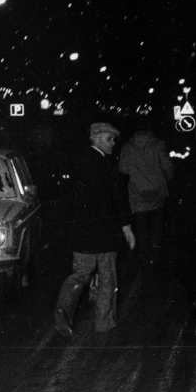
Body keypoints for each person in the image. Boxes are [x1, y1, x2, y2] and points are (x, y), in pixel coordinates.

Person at [54, 122, 135, 335]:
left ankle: (63, 310)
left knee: (80, 274)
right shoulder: (107, 167)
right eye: (110, 139)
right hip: (106, 233)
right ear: (96, 138)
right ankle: (104, 323)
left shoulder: (76, 163)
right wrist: (126, 227)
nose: (113, 143)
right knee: (108, 277)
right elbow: (119, 200)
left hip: (82, 234)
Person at [118, 125, 173, 265]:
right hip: (157, 190)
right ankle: (155, 255)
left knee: (141, 225)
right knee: (157, 223)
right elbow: (166, 166)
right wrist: (167, 179)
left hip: (138, 191)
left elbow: (123, 169)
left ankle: (143, 255)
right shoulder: (158, 144)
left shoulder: (127, 146)